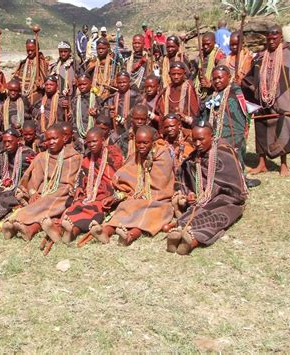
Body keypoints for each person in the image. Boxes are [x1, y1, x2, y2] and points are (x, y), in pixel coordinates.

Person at [167, 121, 248, 255]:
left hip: (227, 199)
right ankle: (181, 232)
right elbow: (185, 179)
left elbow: (235, 188)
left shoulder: (224, 154)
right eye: (194, 140)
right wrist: (190, 194)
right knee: (195, 211)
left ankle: (192, 241)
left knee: (217, 216)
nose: (197, 144)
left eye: (201, 139)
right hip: (203, 199)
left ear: (212, 137)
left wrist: (211, 194)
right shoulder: (193, 158)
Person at [89, 125, 174, 246]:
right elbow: (127, 183)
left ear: (153, 142)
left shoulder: (162, 156)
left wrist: (143, 197)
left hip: (159, 200)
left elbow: (161, 184)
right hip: (136, 198)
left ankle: (129, 236)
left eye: (145, 143)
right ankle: (105, 231)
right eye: (138, 143)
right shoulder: (135, 157)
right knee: (125, 206)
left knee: (152, 212)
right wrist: (119, 196)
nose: (141, 146)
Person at [43, 127, 123, 243]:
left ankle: (70, 232)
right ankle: (65, 231)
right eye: (88, 142)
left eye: (94, 141)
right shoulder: (87, 158)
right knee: (75, 206)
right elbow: (81, 177)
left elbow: (121, 179)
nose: (91, 145)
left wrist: (115, 196)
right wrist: (78, 188)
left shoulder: (113, 155)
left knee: (92, 210)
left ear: (103, 140)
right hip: (88, 194)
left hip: (106, 196)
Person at [3, 124, 82, 241]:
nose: (51, 142)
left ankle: (19, 219)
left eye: (54, 138)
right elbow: (33, 179)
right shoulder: (42, 156)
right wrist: (33, 192)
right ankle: (26, 228)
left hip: (62, 194)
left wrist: (51, 193)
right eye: (48, 140)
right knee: (40, 199)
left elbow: (71, 183)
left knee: (52, 199)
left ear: (64, 138)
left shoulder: (74, 157)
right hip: (43, 192)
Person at [250, 25, 290, 176]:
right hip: (262, 98)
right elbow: (254, 73)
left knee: (282, 128)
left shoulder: (286, 54)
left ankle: (284, 164)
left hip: (279, 98)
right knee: (260, 127)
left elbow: (284, 77)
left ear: (280, 37)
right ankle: (262, 163)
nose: (272, 42)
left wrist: (276, 97)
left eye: (275, 38)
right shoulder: (262, 55)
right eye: (269, 39)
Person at [156, 62, 199, 129]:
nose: (176, 77)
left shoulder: (189, 88)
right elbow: (162, 113)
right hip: (169, 129)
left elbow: (195, 113)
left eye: (179, 74)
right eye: (173, 74)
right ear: (169, 75)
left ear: (184, 74)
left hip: (185, 128)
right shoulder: (166, 90)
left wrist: (185, 117)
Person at [13, 39, 49, 106]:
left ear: (37, 49)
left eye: (32, 50)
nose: (29, 52)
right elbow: (16, 78)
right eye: (28, 50)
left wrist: (41, 84)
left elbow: (46, 81)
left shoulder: (42, 63)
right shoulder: (23, 63)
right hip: (22, 95)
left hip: (36, 96)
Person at [71, 74, 101, 152]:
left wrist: (97, 114)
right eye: (79, 85)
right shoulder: (75, 100)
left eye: (84, 84)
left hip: (94, 138)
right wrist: (77, 137)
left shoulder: (97, 99)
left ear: (90, 83)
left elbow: (104, 118)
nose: (82, 87)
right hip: (79, 137)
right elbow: (73, 121)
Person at [104, 70, 140, 136]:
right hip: (115, 131)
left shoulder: (136, 97)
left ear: (129, 82)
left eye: (124, 82)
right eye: (119, 82)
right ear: (116, 83)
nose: (122, 84)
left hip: (131, 132)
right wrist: (110, 115)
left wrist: (119, 118)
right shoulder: (112, 98)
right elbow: (106, 116)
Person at [194, 32, 226, 99]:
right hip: (200, 91)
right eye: (203, 44)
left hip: (214, 92)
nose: (205, 47)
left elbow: (222, 79)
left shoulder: (219, 56)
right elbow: (195, 71)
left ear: (214, 42)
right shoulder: (201, 55)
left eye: (208, 44)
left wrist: (210, 85)